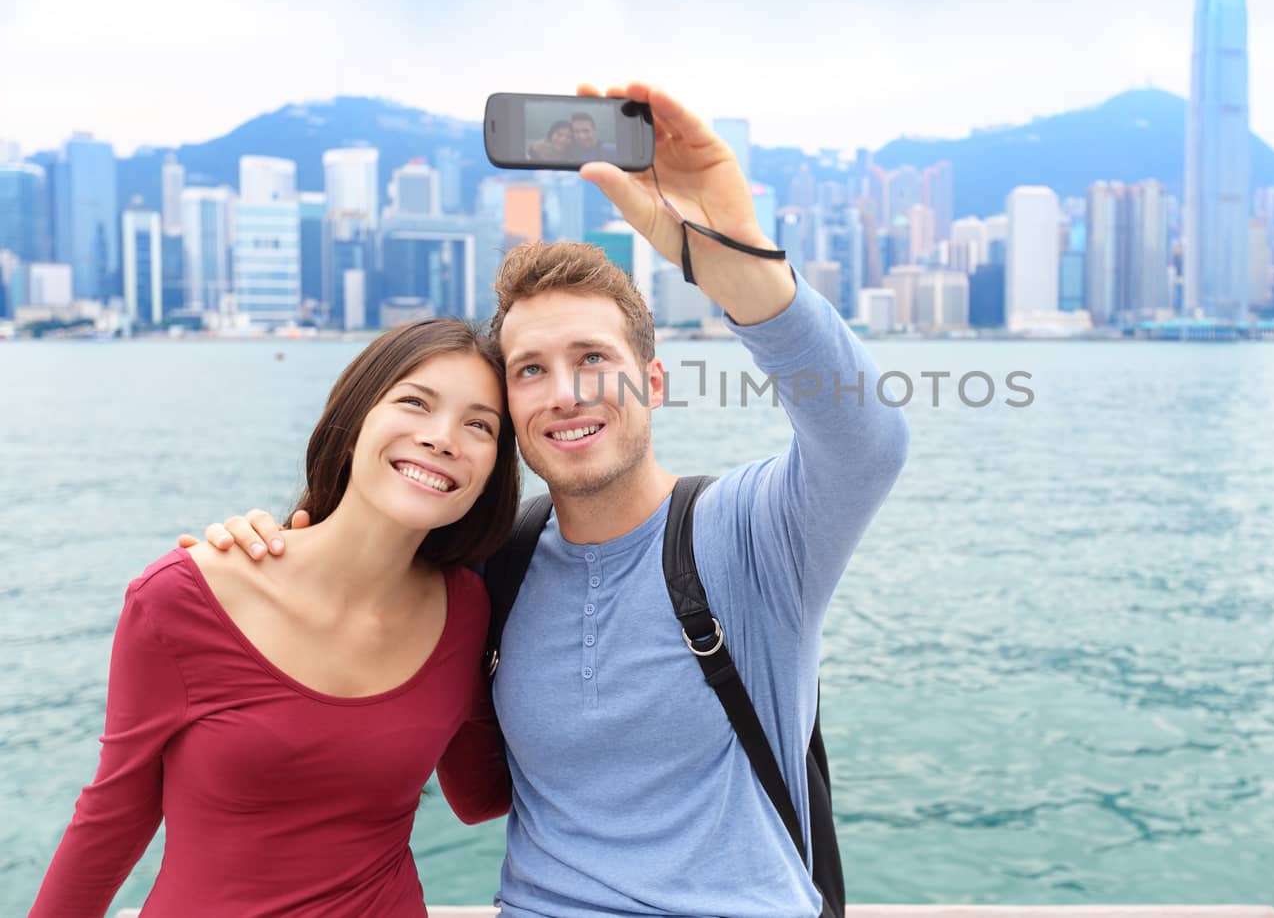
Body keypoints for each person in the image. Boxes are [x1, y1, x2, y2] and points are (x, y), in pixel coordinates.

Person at [196, 83, 911, 917]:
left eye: (592, 359)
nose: (565, 392)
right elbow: (378, 630)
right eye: (530, 369)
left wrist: (734, 251)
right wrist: (269, 552)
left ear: (651, 381)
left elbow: (867, 443)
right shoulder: (496, 558)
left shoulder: (753, 533)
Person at [32, 318, 521, 917]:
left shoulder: (468, 609)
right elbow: (112, 819)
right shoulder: (182, 596)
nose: (443, 438)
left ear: (492, 472)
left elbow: (478, 794)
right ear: (353, 425)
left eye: (479, 425)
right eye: (415, 403)